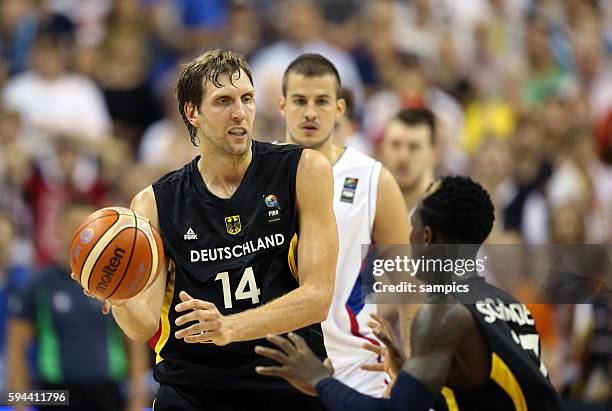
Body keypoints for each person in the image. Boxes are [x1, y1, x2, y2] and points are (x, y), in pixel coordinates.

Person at [76, 49, 338, 410]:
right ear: (192, 113)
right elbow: (143, 326)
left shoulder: (303, 170)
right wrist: (119, 296)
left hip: (288, 381)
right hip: (193, 388)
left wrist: (229, 327)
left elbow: (318, 297)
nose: (240, 112)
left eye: (247, 98)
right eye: (223, 101)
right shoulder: (154, 203)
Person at [254, 176, 563, 411]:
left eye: (410, 226)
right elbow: (488, 394)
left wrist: (319, 379)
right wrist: (408, 371)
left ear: (426, 236)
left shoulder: (444, 313)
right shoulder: (508, 302)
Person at [279, 53, 410, 396]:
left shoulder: (372, 179)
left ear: (339, 109)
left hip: (357, 366)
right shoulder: (258, 174)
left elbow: (408, 284)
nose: (310, 112)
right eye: (299, 101)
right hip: (279, 365)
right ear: (282, 106)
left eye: (321, 101)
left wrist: (411, 370)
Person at [7, 201, 149, 411]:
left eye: (85, 227)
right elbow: (16, 351)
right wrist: (19, 404)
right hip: (56, 395)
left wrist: (138, 400)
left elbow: (134, 345)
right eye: (71, 226)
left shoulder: (113, 285)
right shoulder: (38, 285)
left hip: (108, 393)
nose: (79, 233)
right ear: (58, 228)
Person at [378, 108, 437, 215]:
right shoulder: (364, 207)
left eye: (414, 147)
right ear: (382, 150)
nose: (403, 156)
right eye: (395, 144)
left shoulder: (447, 216)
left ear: (433, 156)